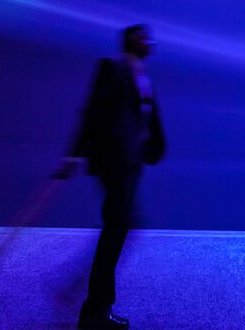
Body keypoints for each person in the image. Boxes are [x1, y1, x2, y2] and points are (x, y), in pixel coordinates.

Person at [56, 24, 166, 330]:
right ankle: (95, 311)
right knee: (117, 227)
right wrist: (74, 153)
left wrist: (151, 148)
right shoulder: (112, 67)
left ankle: (94, 304)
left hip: (131, 163)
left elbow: (147, 117)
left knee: (119, 226)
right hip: (113, 162)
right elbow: (91, 111)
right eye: (144, 36)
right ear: (131, 40)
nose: (150, 41)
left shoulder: (143, 74)